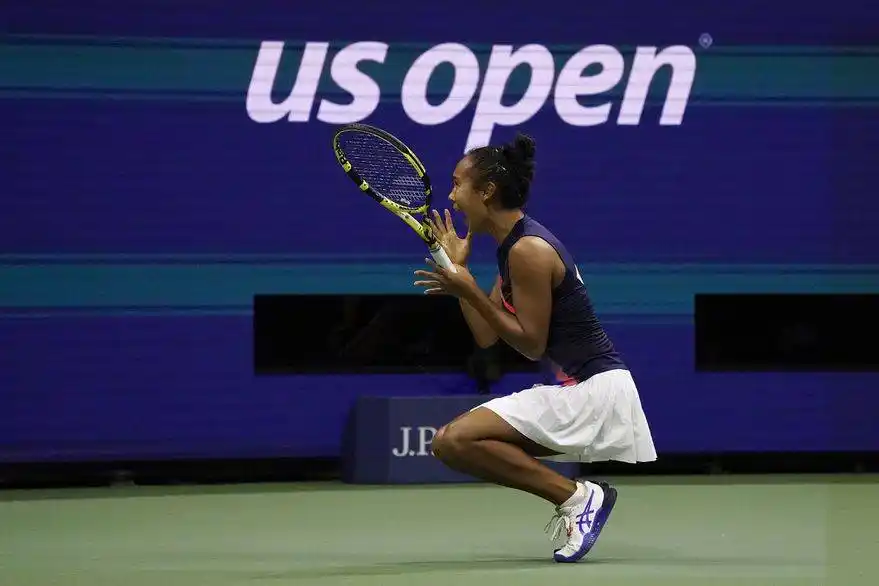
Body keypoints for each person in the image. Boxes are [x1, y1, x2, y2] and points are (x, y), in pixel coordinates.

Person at [413, 133, 657, 563]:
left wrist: (469, 289)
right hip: (581, 389)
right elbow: (488, 336)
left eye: (457, 184)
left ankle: (577, 498)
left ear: (487, 191)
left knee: (454, 441)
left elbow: (530, 344)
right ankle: (576, 498)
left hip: (594, 389)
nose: (451, 197)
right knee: (453, 442)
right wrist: (462, 276)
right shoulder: (512, 248)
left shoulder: (528, 250)